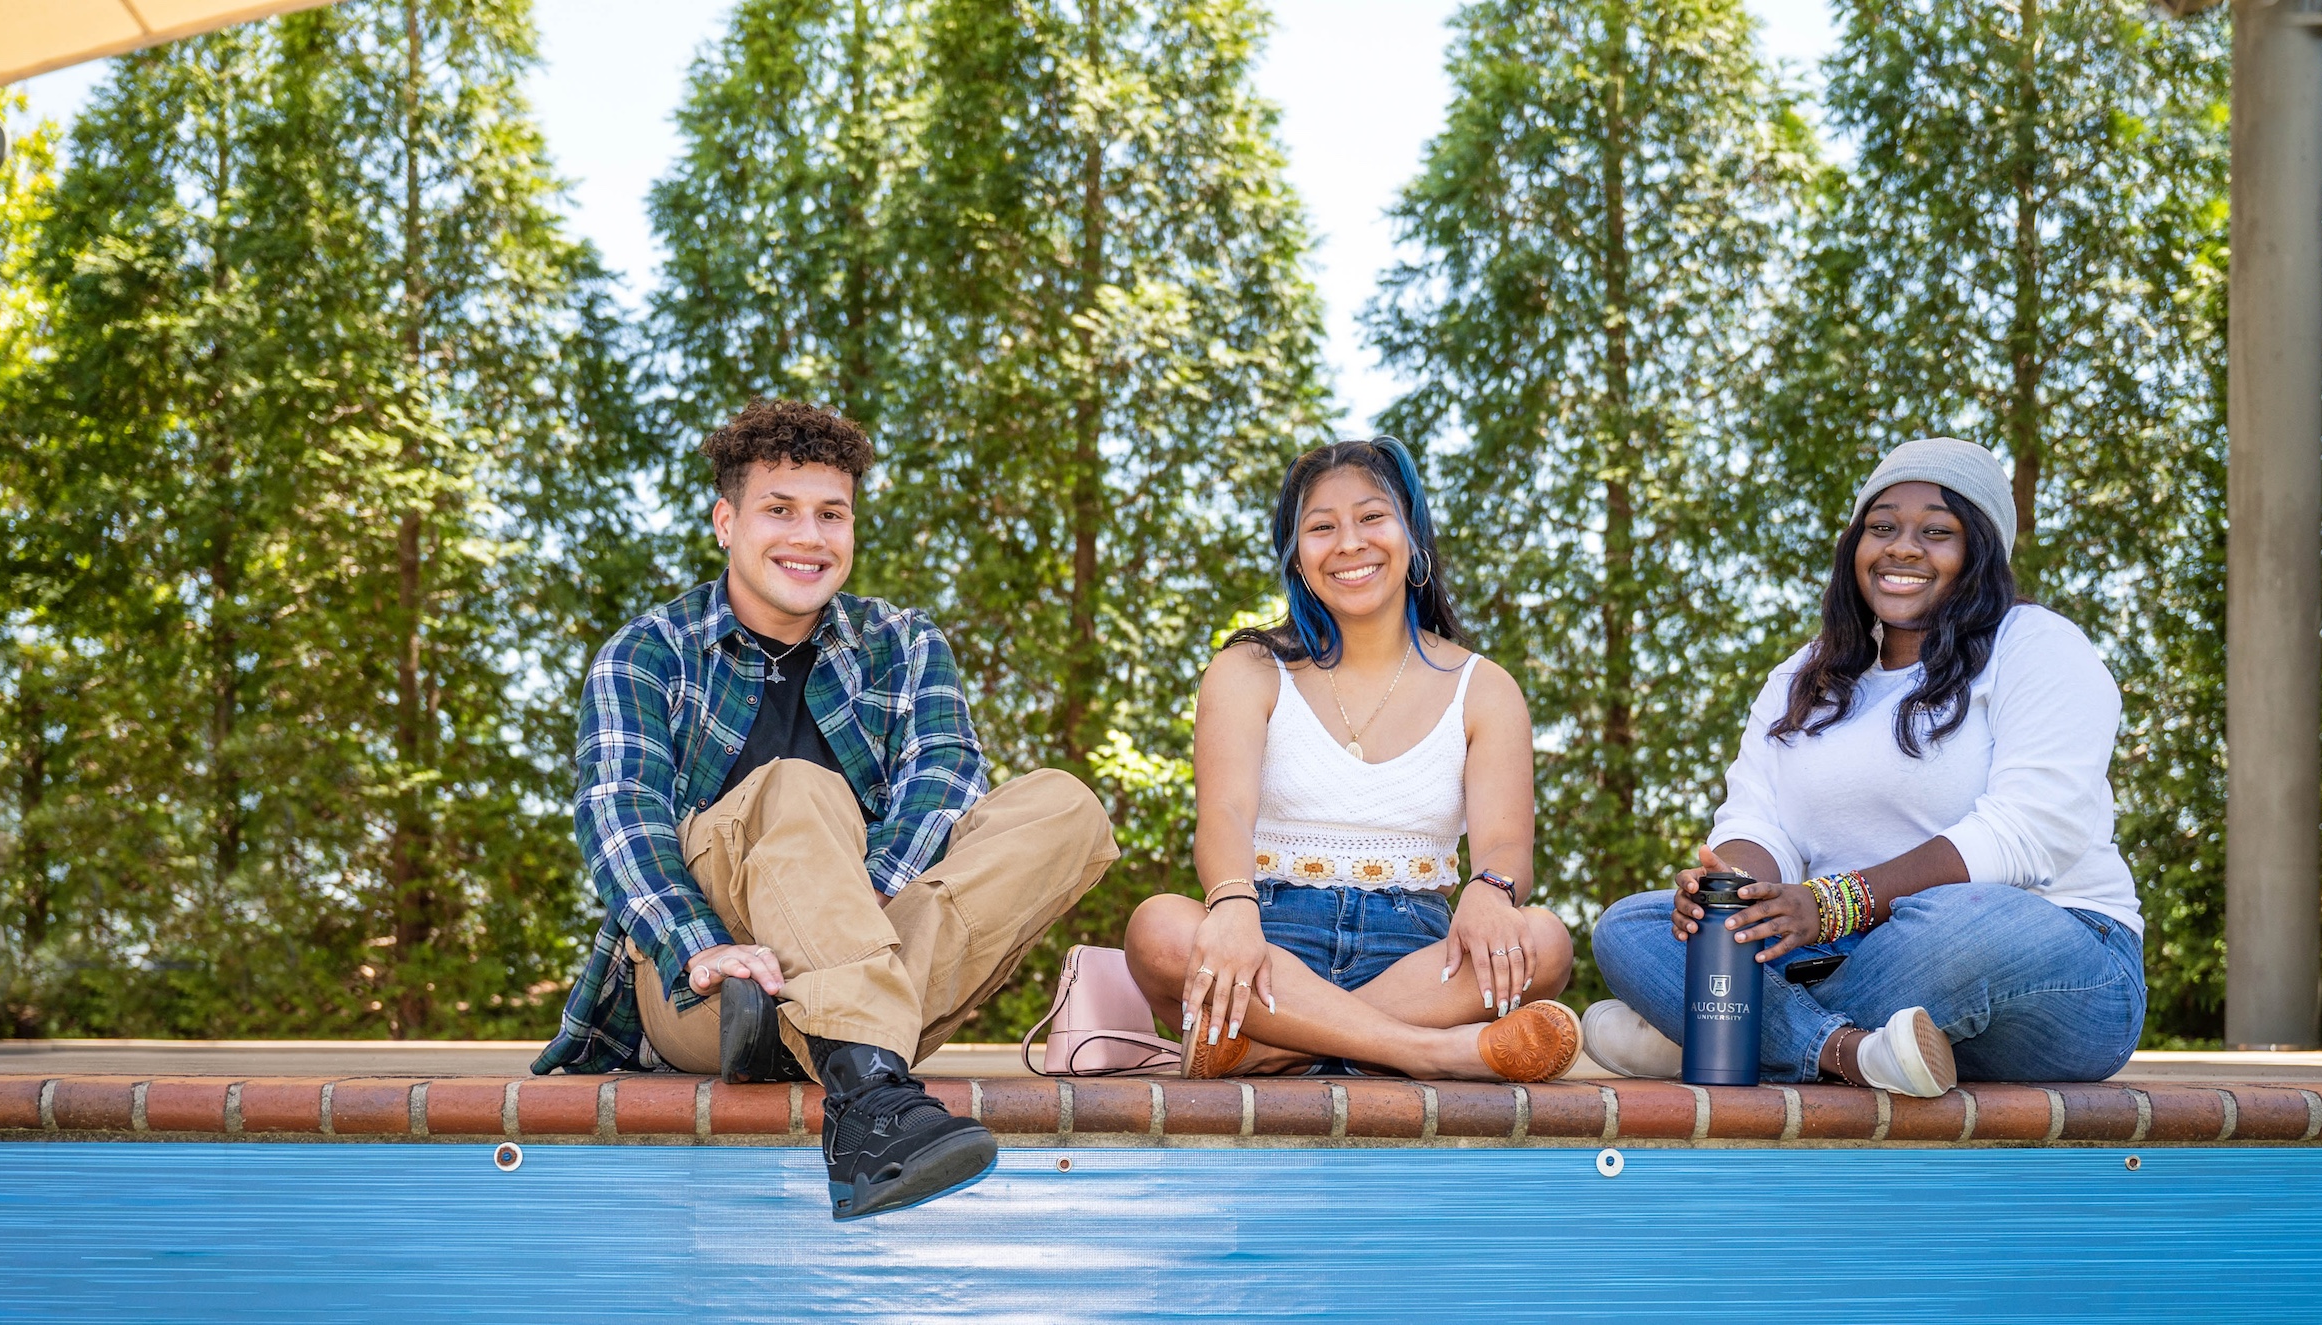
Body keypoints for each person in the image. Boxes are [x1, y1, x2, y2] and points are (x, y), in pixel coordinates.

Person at [531, 399, 1120, 1219]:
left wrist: (852, 900)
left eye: (831, 514)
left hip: (861, 953)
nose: (808, 537)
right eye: (780, 510)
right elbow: (619, 816)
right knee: (800, 783)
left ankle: (854, 1071)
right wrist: (702, 948)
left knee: (1065, 806)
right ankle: (872, 1083)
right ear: (725, 521)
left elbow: (948, 774)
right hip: (707, 991)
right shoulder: (649, 651)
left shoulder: (905, 643)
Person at [1584, 438, 2146, 1095]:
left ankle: (1722, 1028)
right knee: (1633, 925)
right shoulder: (1804, 677)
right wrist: (1730, 896)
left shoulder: (2038, 646)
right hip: (1843, 955)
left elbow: (2027, 833)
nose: (1902, 547)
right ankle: (1849, 1052)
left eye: (1937, 531)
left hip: (2057, 960)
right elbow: (1756, 820)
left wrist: (1832, 904)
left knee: (1965, 920)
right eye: (1881, 527)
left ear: (1982, 552)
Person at [1121, 438, 1582, 1081]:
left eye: (1371, 517)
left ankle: (1275, 1048)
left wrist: (1490, 890)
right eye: (1321, 527)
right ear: (1296, 555)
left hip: (1419, 955)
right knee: (1158, 929)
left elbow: (1506, 845)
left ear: (1412, 534)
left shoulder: (1486, 687)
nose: (1348, 543)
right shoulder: (1246, 671)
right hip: (1269, 944)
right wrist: (1230, 906)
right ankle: (1432, 1052)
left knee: (1544, 942)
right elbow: (1223, 812)